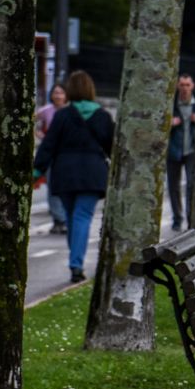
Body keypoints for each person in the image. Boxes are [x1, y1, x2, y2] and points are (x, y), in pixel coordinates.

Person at [32, 70, 114, 284]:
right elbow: (112, 146)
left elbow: (49, 145)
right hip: (92, 173)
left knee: (71, 216)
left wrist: (36, 171)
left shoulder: (63, 116)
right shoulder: (103, 116)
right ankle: (76, 264)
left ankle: (75, 261)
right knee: (82, 217)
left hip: (65, 173)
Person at [166, 73, 195, 231]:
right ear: (178, 86)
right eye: (182, 85)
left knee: (192, 185)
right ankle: (177, 218)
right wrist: (169, 123)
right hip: (174, 150)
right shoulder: (171, 104)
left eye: (187, 85)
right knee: (174, 186)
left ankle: (191, 217)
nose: (185, 88)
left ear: (192, 86)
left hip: (191, 150)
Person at [36, 83, 70, 234]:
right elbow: (33, 122)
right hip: (51, 153)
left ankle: (65, 218)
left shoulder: (72, 111)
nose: (58, 96)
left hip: (68, 154)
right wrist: (41, 136)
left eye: (61, 93)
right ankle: (58, 219)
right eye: (55, 93)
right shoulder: (46, 111)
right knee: (52, 186)